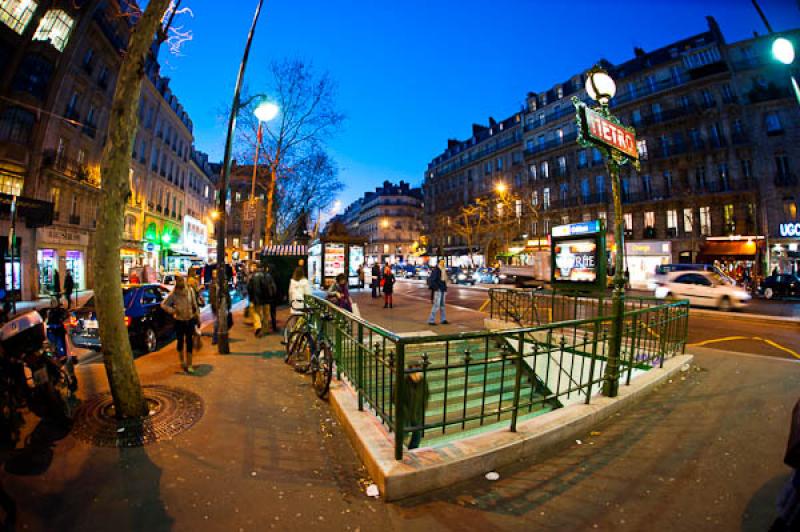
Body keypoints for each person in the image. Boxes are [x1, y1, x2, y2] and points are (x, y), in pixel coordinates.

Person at [161, 276, 200, 373]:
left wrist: (197, 317)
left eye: (182, 280)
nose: (181, 282)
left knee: (189, 343)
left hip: (189, 319)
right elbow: (163, 304)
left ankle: (189, 364)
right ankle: (182, 362)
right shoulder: (174, 294)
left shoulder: (190, 291)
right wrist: (173, 311)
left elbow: (194, 304)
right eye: (179, 281)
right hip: (179, 321)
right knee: (180, 342)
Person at [397, 361, 429, 450]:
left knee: (417, 435)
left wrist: (422, 408)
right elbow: (395, 398)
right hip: (405, 413)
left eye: (418, 371)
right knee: (402, 435)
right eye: (415, 371)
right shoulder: (403, 381)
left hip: (417, 412)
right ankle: (399, 451)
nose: (417, 374)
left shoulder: (423, 381)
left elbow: (426, 395)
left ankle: (412, 450)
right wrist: (404, 410)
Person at [248, 265, 277, 337]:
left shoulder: (253, 276)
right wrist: (272, 296)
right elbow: (273, 287)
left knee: (256, 312)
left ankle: (258, 326)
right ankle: (266, 329)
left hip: (257, 298)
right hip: (267, 299)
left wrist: (251, 298)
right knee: (266, 313)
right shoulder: (268, 275)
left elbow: (249, 288)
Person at [208, 270, 230, 345]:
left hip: (219, 305)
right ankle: (215, 338)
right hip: (217, 305)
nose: (214, 275)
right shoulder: (214, 283)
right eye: (213, 274)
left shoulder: (216, 283)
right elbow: (211, 296)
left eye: (215, 273)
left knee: (219, 321)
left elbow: (227, 294)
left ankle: (218, 337)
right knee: (217, 321)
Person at [427, 260, 448, 325]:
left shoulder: (443, 270)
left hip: (443, 289)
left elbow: (444, 281)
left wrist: (445, 289)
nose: (443, 263)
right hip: (438, 290)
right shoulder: (436, 270)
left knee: (442, 305)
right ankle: (431, 320)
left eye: (444, 262)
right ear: (438, 263)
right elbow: (432, 280)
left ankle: (443, 319)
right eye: (441, 262)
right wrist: (436, 288)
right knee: (436, 305)